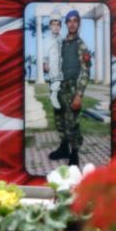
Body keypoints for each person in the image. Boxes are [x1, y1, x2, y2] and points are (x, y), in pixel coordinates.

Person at [44, 10, 92, 166]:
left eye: (75, 20)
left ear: (79, 23)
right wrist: (47, 66)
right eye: (69, 21)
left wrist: (79, 95)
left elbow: (85, 71)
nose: (72, 24)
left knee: (72, 122)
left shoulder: (81, 45)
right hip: (59, 87)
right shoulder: (60, 43)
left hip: (72, 89)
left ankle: (74, 153)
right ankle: (64, 148)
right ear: (65, 23)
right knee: (59, 120)